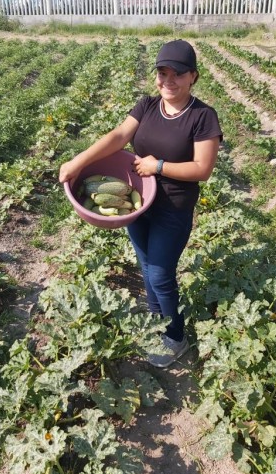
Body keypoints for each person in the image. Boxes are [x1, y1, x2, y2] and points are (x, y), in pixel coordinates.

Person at [59, 39, 223, 368]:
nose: (168, 80)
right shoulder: (147, 105)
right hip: (138, 203)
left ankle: (176, 337)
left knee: (161, 274)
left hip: (173, 209)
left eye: (178, 74)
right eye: (162, 73)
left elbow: (202, 169)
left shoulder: (203, 116)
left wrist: (157, 165)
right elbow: (119, 136)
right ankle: (156, 322)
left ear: (193, 76)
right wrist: (78, 161)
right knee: (146, 266)